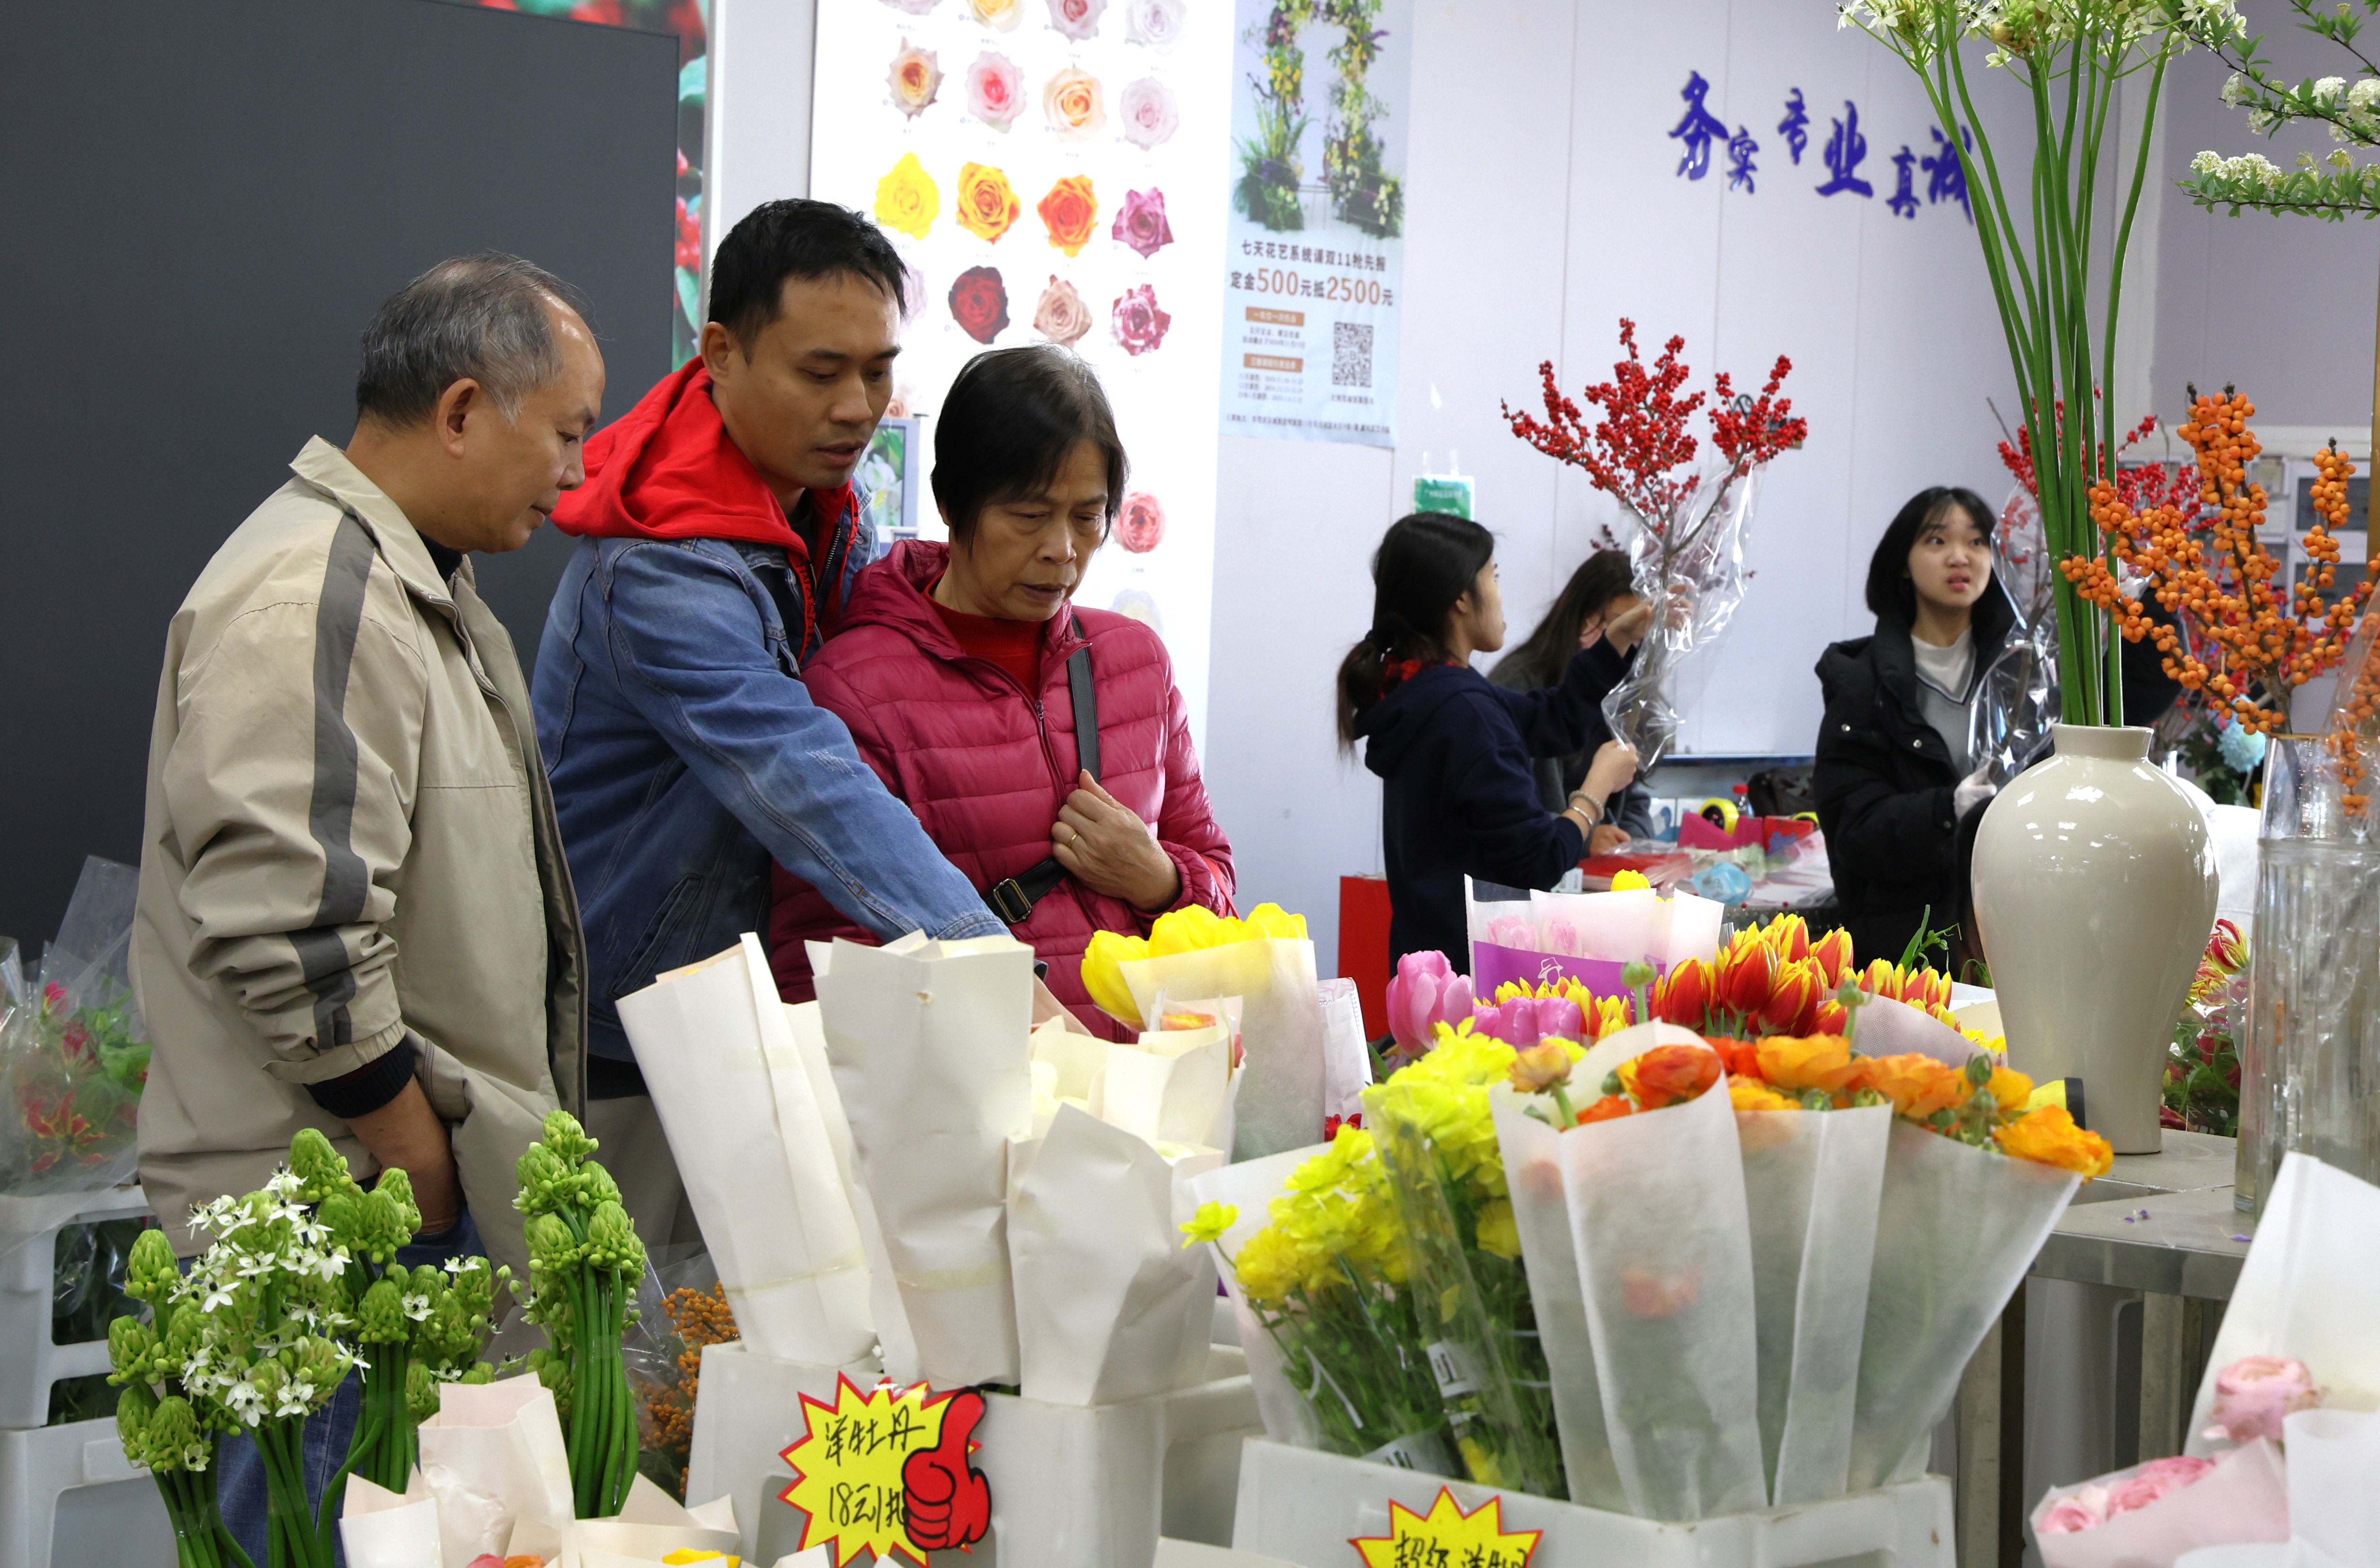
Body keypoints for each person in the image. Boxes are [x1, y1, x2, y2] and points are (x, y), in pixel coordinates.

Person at [132, 253, 599, 1559]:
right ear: (461, 411)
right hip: (337, 1221)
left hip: (375, 1207)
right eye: (565, 432)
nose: (575, 473)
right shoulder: (320, 592)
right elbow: (290, 930)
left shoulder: (415, 584)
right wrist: (422, 1169)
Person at [533, 199, 1012, 1247]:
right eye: (821, 371)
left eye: (879, 372)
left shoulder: (814, 498)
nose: (858, 408)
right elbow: (805, 774)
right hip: (630, 1024)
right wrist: (988, 959)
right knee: (633, 1329)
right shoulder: (660, 566)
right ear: (721, 354)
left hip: (751, 996)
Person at [762, 345, 1234, 1034]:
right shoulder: (855, 689)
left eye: (1087, 517)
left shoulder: (1136, 660)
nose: (1062, 549)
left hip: (1156, 1073)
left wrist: (1160, 878)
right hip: (990, 1084)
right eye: (1030, 515)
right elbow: (825, 965)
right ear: (952, 503)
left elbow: (1220, 886)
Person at [1339, 512, 1643, 969]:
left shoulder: (1426, 693)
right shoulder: (1465, 711)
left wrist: (1615, 642)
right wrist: (1595, 791)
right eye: (1494, 577)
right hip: (1478, 974)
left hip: (1428, 969)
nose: (1501, 595)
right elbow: (1539, 861)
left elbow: (1551, 720)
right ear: (1462, 598)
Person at [1812, 486, 2016, 965]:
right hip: (1911, 949)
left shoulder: (2023, 672)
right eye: (1937, 541)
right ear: (1903, 563)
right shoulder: (1863, 683)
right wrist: (1948, 809)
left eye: (1977, 541)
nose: (1960, 557)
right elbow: (1854, 830)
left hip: (2018, 934)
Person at [1487, 548, 1655, 820]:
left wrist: (1630, 837)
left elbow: (1634, 796)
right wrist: (1588, 834)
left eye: (1640, 630)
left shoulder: (1625, 686)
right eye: (1622, 625)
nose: (1630, 639)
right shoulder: (1521, 684)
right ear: (1584, 618)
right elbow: (1509, 807)